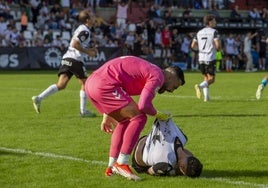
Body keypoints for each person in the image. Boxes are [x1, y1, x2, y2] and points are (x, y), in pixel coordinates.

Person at [84, 55, 185, 180]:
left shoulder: (150, 70)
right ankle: (122, 163)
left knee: (124, 121)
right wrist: (159, 114)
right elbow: (144, 106)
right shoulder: (158, 75)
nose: (171, 90)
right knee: (140, 117)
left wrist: (107, 114)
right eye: (174, 86)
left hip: (91, 83)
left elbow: (120, 83)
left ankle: (111, 165)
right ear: (171, 76)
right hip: (104, 85)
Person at [31, 10, 98, 117]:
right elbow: (75, 44)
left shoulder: (81, 29)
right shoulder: (85, 31)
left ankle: (39, 98)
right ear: (88, 20)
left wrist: (90, 49)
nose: (95, 18)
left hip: (67, 58)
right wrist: (89, 52)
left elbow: (77, 44)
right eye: (92, 16)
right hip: (75, 59)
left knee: (61, 85)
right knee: (85, 83)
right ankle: (83, 111)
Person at [132, 119, 203, 177]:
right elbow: (149, 171)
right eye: (183, 170)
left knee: (167, 166)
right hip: (138, 163)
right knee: (165, 169)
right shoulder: (166, 162)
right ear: (182, 167)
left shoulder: (183, 138)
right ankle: (173, 171)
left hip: (144, 140)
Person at [191, 14, 221, 102]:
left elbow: (192, 46)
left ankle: (206, 98)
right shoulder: (214, 32)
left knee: (206, 77)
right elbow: (218, 46)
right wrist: (218, 49)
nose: (215, 22)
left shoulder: (199, 32)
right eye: (214, 21)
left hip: (201, 58)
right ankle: (199, 86)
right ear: (210, 22)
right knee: (212, 79)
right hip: (210, 57)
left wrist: (199, 50)